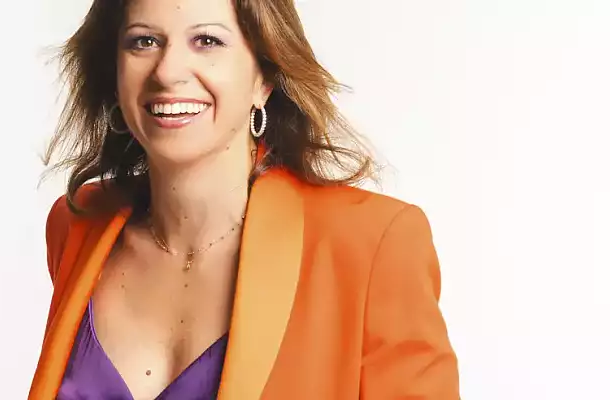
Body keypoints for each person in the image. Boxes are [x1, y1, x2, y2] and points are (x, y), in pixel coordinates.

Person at [27, 0, 461, 399]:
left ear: (264, 78)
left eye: (207, 41)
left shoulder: (372, 245)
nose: (168, 71)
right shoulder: (77, 224)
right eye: (144, 41)